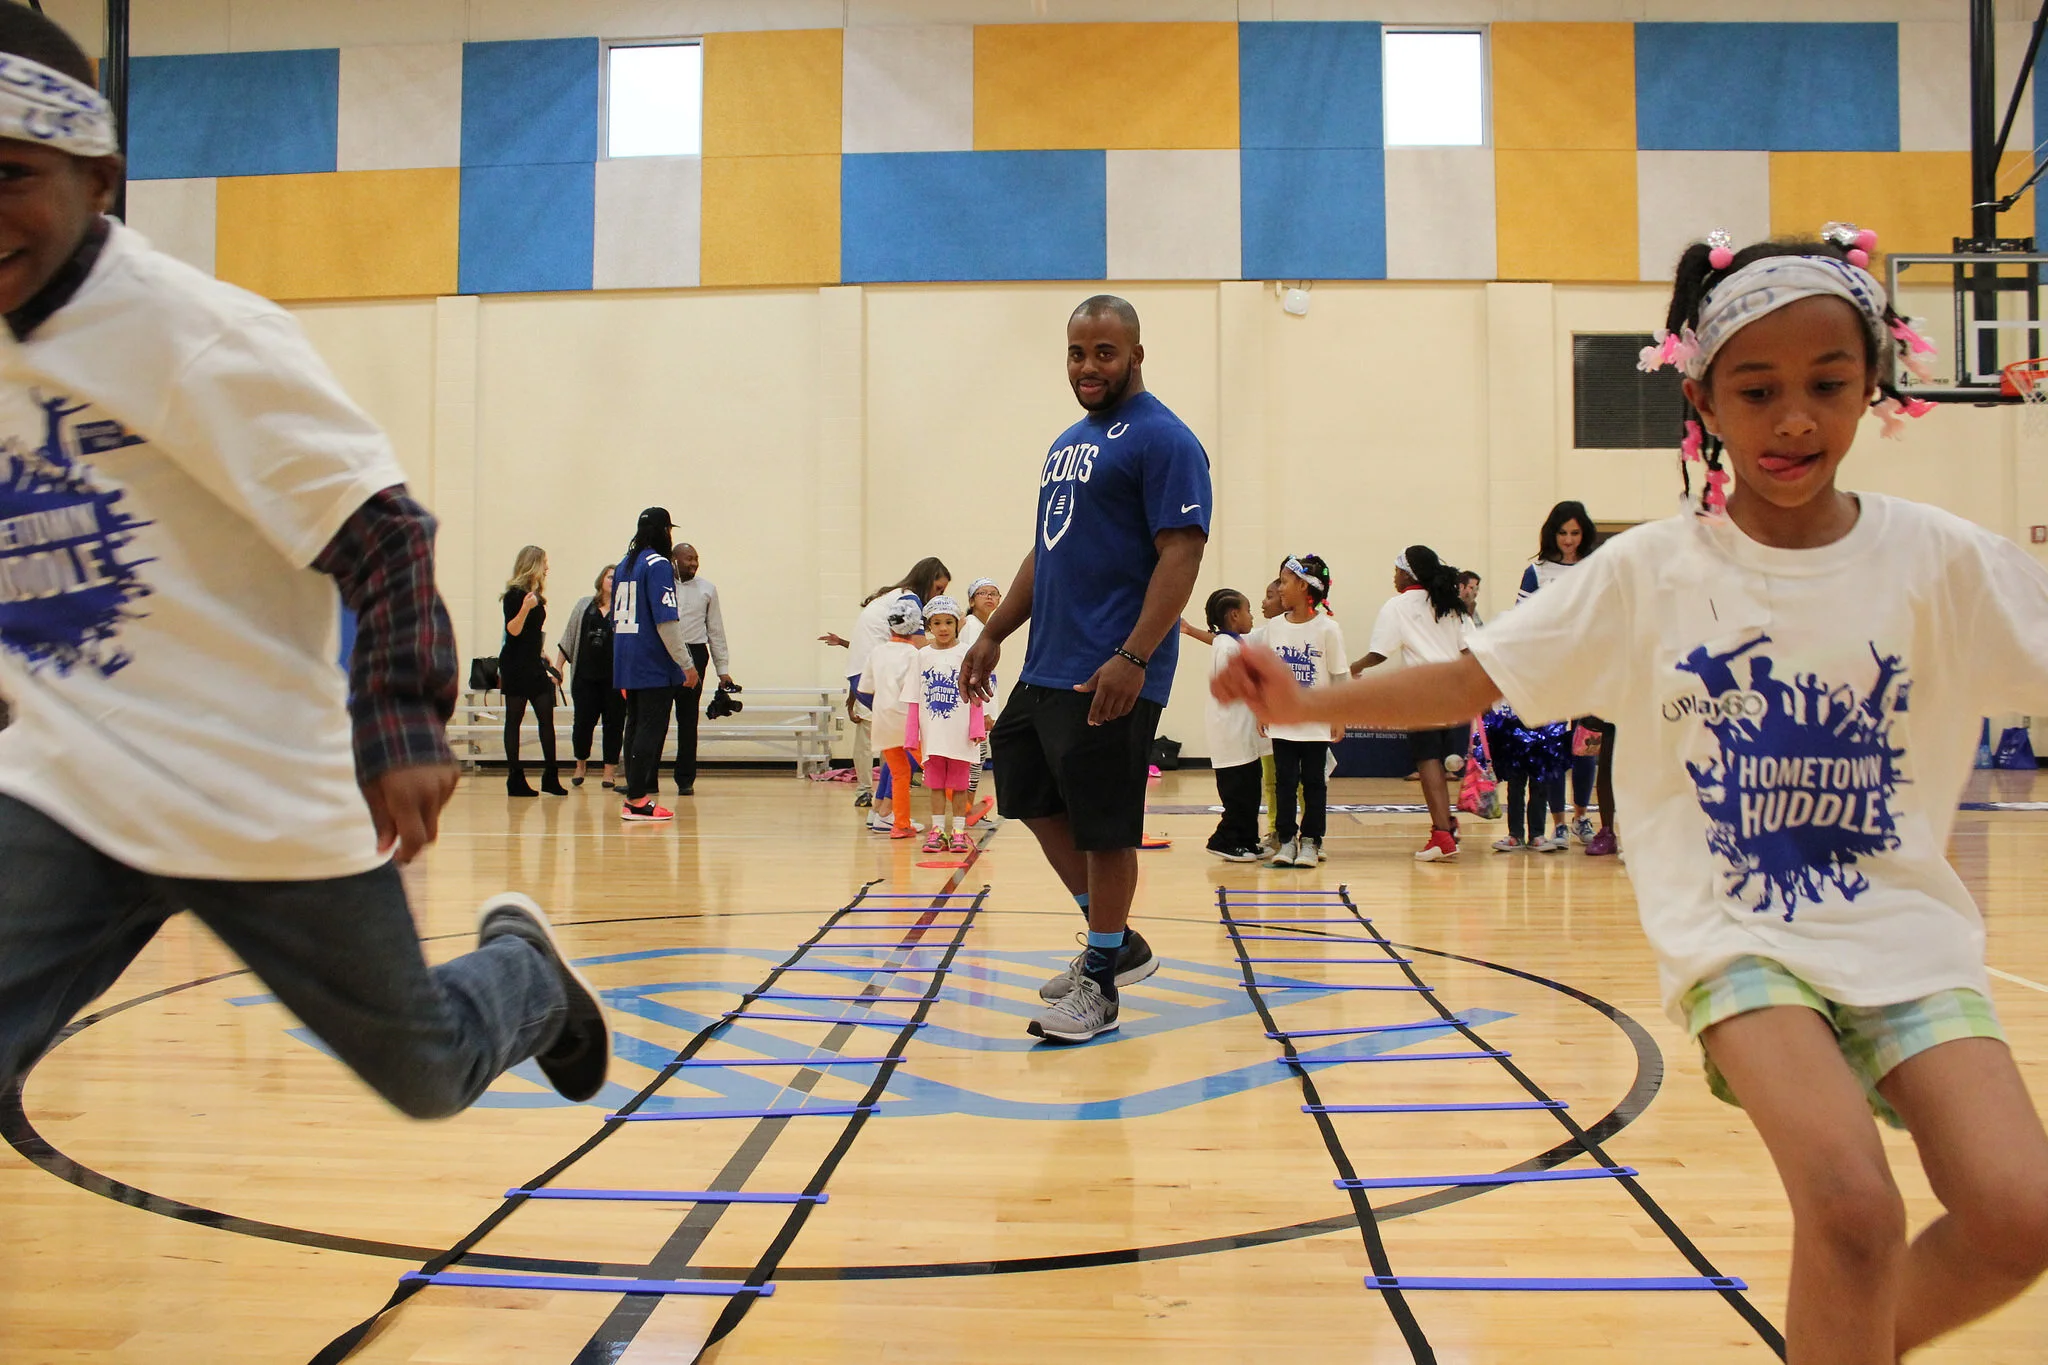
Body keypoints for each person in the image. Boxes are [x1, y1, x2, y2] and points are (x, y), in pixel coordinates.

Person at [1213, 228, 2048, 1362]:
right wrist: (1308, 703)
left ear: (1874, 384)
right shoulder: (1651, 571)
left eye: (1825, 385)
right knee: (1852, 1208)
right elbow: (1471, 677)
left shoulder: (1942, 560)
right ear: (1701, 399)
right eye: (1757, 390)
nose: (1793, 420)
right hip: (1743, 936)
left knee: (2018, 1214)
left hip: (1906, 933)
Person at [0, 6, 608, 1127]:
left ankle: (525, 975)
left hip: (250, 785)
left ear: (99, 178)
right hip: (68, 783)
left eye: (11, 176)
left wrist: (401, 720)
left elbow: (384, 534)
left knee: (428, 1072)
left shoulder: (195, 337)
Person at [960, 293, 1210, 1044]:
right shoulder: (1068, 441)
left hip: (1109, 668)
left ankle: (1100, 983)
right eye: (1077, 352)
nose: (1088, 366)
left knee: (1105, 829)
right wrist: (994, 631)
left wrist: (1134, 655)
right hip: (1047, 663)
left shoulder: (1166, 440)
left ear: (1136, 354)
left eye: (1104, 352)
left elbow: (1182, 552)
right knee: (1027, 791)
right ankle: (1115, 941)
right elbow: (1048, 548)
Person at [1351, 545, 1474, 862]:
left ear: (1409, 574)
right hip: (1456, 692)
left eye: (1397, 571)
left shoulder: (1398, 606)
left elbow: (1379, 652)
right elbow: (1470, 650)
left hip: (1425, 692)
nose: (1394, 577)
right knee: (1443, 763)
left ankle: (1442, 836)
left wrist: (1352, 668)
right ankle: (1448, 826)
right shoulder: (1451, 603)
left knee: (1428, 761)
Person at [1521, 500, 1618, 855]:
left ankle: (1582, 816)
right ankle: (1558, 822)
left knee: (1585, 748)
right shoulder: (1537, 571)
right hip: (1551, 671)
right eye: (1562, 532)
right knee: (1554, 750)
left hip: (1590, 671)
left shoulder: (1597, 568)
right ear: (1552, 533)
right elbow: (1523, 620)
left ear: (1584, 534)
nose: (1568, 540)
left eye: (1575, 533)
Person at [820, 557, 949, 809]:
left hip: (864, 677)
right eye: (938, 589)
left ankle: (881, 809)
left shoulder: (890, 596)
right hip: (881, 680)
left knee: (899, 745)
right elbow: (920, 646)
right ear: (926, 581)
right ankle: (888, 807)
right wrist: (951, 645)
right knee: (912, 743)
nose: (938, 596)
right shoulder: (909, 599)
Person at [613, 507, 699, 822]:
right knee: (650, 729)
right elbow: (666, 622)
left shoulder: (624, 564)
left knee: (634, 727)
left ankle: (634, 795)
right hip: (652, 660)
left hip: (626, 657)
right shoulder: (659, 564)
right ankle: (637, 800)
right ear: (665, 532)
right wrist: (686, 664)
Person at [1259, 556, 1343, 869]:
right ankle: (1286, 840)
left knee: (1314, 783)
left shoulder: (1328, 629)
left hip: (1315, 723)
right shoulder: (1274, 627)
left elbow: (1338, 676)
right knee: (1285, 782)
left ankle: (1311, 840)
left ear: (1304, 586)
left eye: (1284, 581)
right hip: (1282, 721)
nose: (1280, 588)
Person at [906, 595, 983, 854]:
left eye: (948, 622)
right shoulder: (922, 656)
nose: (943, 628)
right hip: (934, 734)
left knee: (960, 786)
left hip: (960, 733)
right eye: (937, 623)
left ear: (957, 624)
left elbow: (976, 693)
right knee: (936, 785)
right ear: (929, 626)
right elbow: (913, 696)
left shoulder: (967, 653)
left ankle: (958, 831)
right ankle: (938, 830)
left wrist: (977, 727)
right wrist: (911, 733)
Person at [1200, 588, 1264, 862]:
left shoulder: (1234, 643)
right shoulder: (1226, 647)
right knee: (1238, 793)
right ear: (1234, 615)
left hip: (1242, 732)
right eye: (1248, 611)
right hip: (1230, 732)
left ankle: (1247, 840)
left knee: (1251, 789)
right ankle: (1223, 840)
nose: (1252, 616)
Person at [669, 542, 735, 797]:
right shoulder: (661, 586)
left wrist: (722, 669)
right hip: (663, 653)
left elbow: (715, 630)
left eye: (696, 559)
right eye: (688, 559)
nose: (694, 563)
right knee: (657, 717)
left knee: (688, 719)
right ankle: (647, 777)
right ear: (674, 560)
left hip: (695, 653)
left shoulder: (707, 589)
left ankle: (685, 779)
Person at [499, 545, 564, 798]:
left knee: (546, 717)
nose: (547, 567)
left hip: (533, 662)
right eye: (544, 562)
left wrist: (541, 651)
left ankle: (551, 775)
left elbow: (530, 633)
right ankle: (515, 777)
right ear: (533, 564)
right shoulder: (514, 596)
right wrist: (525, 608)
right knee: (513, 720)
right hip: (515, 665)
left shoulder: (536, 595)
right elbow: (513, 630)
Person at [858, 598, 923, 839]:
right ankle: (965, 810)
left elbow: (864, 688)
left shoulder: (877, 652)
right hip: (907, 721)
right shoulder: (915, 655)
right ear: (916, 626)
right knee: (933, 766)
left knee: (899, 772)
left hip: (883, 721)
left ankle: (900, 824)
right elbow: (919, 690)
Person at [558, 563, 623, 789]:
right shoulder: (584, 605)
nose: (613, 581)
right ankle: (580, 766)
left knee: (614, 725)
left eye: (617, 578)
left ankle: (609, 772)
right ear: (601, 580)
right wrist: (558, 668)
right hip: (585, 677)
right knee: (582, 724)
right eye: (609, 577)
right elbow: (568, 637)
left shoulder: (625, 609)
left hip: (615, 679)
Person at [960, 577, 1002, 824]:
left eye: (993, 593)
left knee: (979, 755)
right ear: (971, 600)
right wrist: (980, 710)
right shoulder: (971, 627)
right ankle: (965, 810)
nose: (989, 597)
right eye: (982, 593)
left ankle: (967, 808)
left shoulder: (988, 627)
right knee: (975, 756)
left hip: (985, 701)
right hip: (975, 705)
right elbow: (969, 669)